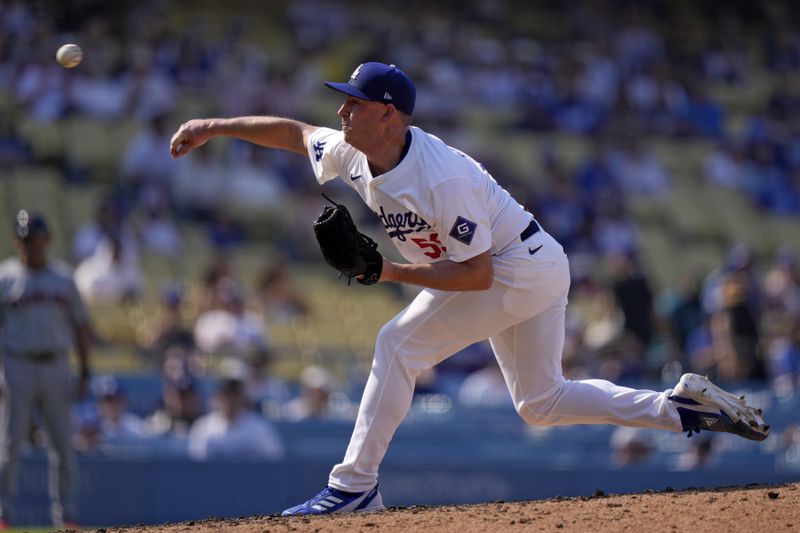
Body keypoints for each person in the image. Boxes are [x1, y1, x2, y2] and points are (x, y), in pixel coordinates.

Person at [169, 62, 770, 516]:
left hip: (516, 267)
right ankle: (681, 408)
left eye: (355, 103)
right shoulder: (352, 150)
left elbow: (478, 276)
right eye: (345, 103)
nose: (343, 113)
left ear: (389, 114)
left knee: (397, 344)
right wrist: (214, 126)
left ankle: (352, 487)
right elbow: (295, 133)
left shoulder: (441, 177)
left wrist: (388, 272)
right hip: (530, 263)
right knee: (541, 401)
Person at [0, 211, 92, 528]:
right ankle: (3, 514)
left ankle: (67, 516)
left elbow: (81, 327)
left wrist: (85, 371)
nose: (30, 247)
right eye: (25, 241)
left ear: (47, 240)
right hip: (16, 364)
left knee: (63, 445)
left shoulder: (64, 279)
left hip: (55, 364)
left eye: (35, 240)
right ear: (16, 242)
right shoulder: (5, 278)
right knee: (9, 444)